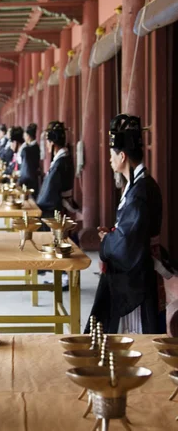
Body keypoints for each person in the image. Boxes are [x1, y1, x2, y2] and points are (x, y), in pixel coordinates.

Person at [85, 114, 163, 334]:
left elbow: (128, 242)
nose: (110, 160)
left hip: (135, 272)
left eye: (111, 155)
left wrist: (107, 241)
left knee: (132, 333)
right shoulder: (138, 186)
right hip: (134, 265)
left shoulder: (140, 192)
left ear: (122, 156)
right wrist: (113, 236)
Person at [36, 121, 75, 218]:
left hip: (54, 210)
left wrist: (38, 205)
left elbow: (50, 191)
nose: (47, 145)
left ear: (52, 143)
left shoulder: (60, 163)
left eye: (48, 142)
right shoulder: (63, 159)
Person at [19, 123, 41, 196]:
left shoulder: (27, 150)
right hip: (34, 177)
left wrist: (20, 181)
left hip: (28, 179)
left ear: (28, 136)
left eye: (24, 135)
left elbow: (25, 167)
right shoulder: (35, 147)